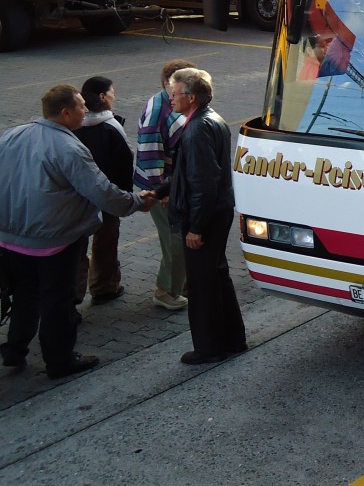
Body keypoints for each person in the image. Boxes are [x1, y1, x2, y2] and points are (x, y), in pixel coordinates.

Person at [0, 85, 153, 379]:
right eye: (82, 106)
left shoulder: (12, 135)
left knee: (24, 295)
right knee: (57, 301)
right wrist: (136, 202)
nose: (87, 109)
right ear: (66, 112)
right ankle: (60, 360)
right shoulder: (70, 148)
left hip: (11, 241)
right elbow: (102, 192)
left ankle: (15, 348)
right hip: (54, 242)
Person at [154, 68, 246, 364]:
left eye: (175, 94)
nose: (170, 99)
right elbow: (189, 173)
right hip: (218, 211)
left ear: (191, 97)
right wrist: (160, 191)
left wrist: (196, 227)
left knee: (202, 284)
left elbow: (203, 183)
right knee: (218, 276)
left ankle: (209, 347)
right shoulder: (210, 119)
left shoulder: (195, 130)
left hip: (207, 215)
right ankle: (233, 339)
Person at [134, 58, 194, 311]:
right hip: (163, 188)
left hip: (175, 184)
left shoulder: (172, 104)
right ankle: (166, 289)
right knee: (174, 239)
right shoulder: (158, 109)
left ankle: (182, 284)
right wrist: (162, 192)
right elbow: (149, 153)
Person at [73, 76, 134, 306]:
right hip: (107, 195)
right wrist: (125, 196)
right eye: (112, 92)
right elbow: (124, 161)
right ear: (102, 96)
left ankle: (72, 297)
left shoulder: (74, 124)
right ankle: (104, 287)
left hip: (76, 197)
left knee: (76, 245)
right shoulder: (110, 126)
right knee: (105, 242)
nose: (114, 96)